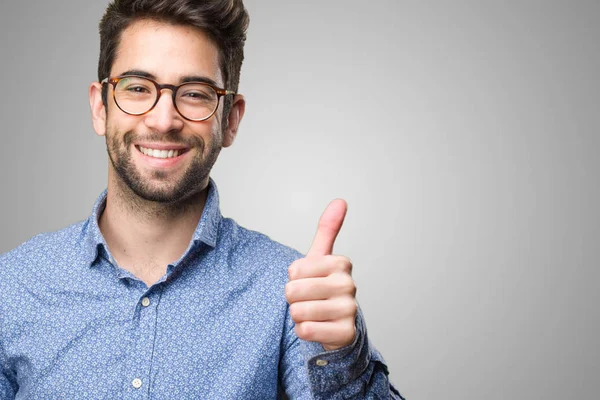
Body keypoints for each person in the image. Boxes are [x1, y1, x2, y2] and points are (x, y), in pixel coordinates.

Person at [0, 0, 404, 398]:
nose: (163, 120)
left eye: (194, 94)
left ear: (229, 120)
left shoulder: (293, 294)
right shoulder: (14, 285)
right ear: (100, 107)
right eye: (137, 88)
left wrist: (343, 357)